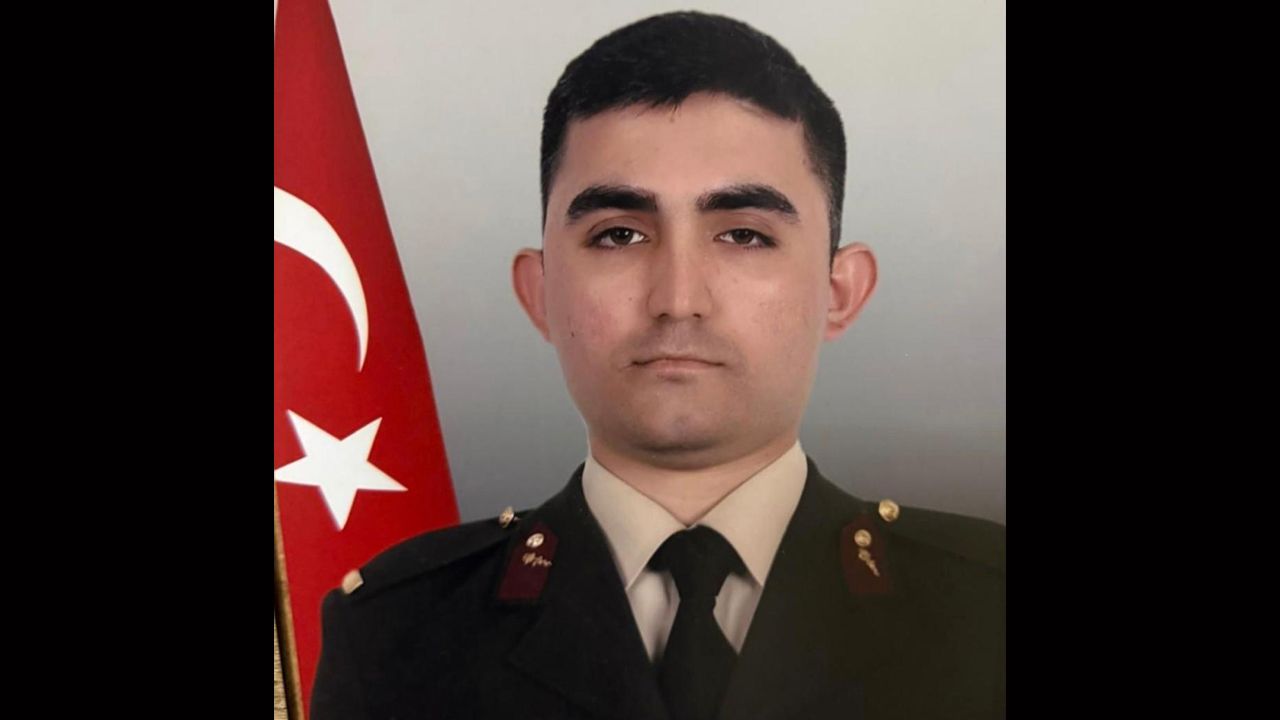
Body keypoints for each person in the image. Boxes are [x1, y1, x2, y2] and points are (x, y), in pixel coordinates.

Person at [311, 11, 1004, 720]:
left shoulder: (988, 607)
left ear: (839, 291)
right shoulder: (397, 632)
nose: (678, 299)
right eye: (619, 235)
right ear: (540, 292)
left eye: (744, 234)